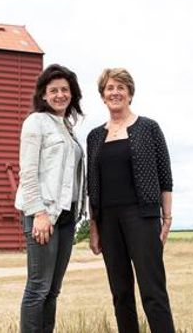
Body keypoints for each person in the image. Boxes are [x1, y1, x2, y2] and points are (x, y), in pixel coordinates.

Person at [87, 68, 175, 333]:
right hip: (107, 220)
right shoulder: (93, 137)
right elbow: (92, 185)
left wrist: (167, 217)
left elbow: (165, 176)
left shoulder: (149, 128)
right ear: (103, 95)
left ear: (130, 93)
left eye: (121, 87)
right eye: (110, 88)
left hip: (142, 216)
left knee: (153, 291)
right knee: (120, 293)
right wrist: (94, 227)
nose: (115, 92)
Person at [15, 63, 86, 333]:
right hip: (43, 216)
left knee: (53, 290)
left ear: (72, 94)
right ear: (43, 95)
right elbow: (29, 171)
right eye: (53, 90)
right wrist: (39, 213)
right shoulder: (36, 122)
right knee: (38, 287)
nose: (60, 95)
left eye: (65, 90)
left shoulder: (67, 128)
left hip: (67, 218)